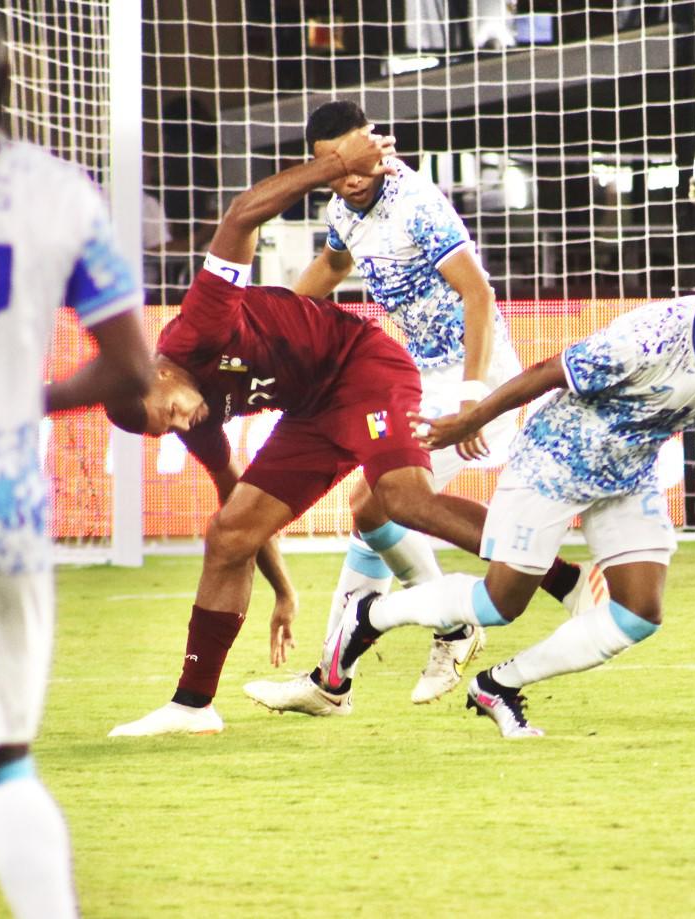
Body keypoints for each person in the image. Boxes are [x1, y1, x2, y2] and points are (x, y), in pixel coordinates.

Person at [102, 127, 495, 737]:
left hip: (399, 369)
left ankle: (545, 582)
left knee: (394, 501)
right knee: (236, 532)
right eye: (168, 430)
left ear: (159, 372)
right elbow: (238, 501)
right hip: (324, 402)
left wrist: (474, 395)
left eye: (171, 412)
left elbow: (240, 216)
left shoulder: (199, 326)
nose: (183, 423)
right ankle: (198, 705)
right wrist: (284, 592)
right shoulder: (191, 413)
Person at [317, 250, 695, 738]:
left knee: (640, 613)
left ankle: (499, 686)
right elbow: (547, 371)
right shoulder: (650, 337)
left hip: (628, 476)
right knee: (500, 605)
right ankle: (370, 613)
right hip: (553, 460)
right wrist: (472, 418)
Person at [242, 101, 605, 717]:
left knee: (387, 502)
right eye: (339, 165)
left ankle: (559, 584)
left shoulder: (416, 203)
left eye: (363, 158)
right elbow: (333, 262)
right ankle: (343, 674)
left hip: (473, 376)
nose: (355, 176)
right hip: (418, 377)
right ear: (322, 165)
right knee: (370, 509)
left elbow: (479, 293)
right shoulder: (341, 211)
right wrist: (264, 320)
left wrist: (472, 400)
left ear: (378, 149)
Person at [0, 5, 153, 915]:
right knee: (1, 763)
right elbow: (134, 370)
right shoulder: (59, 189)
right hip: (1, 497)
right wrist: (19, 402)